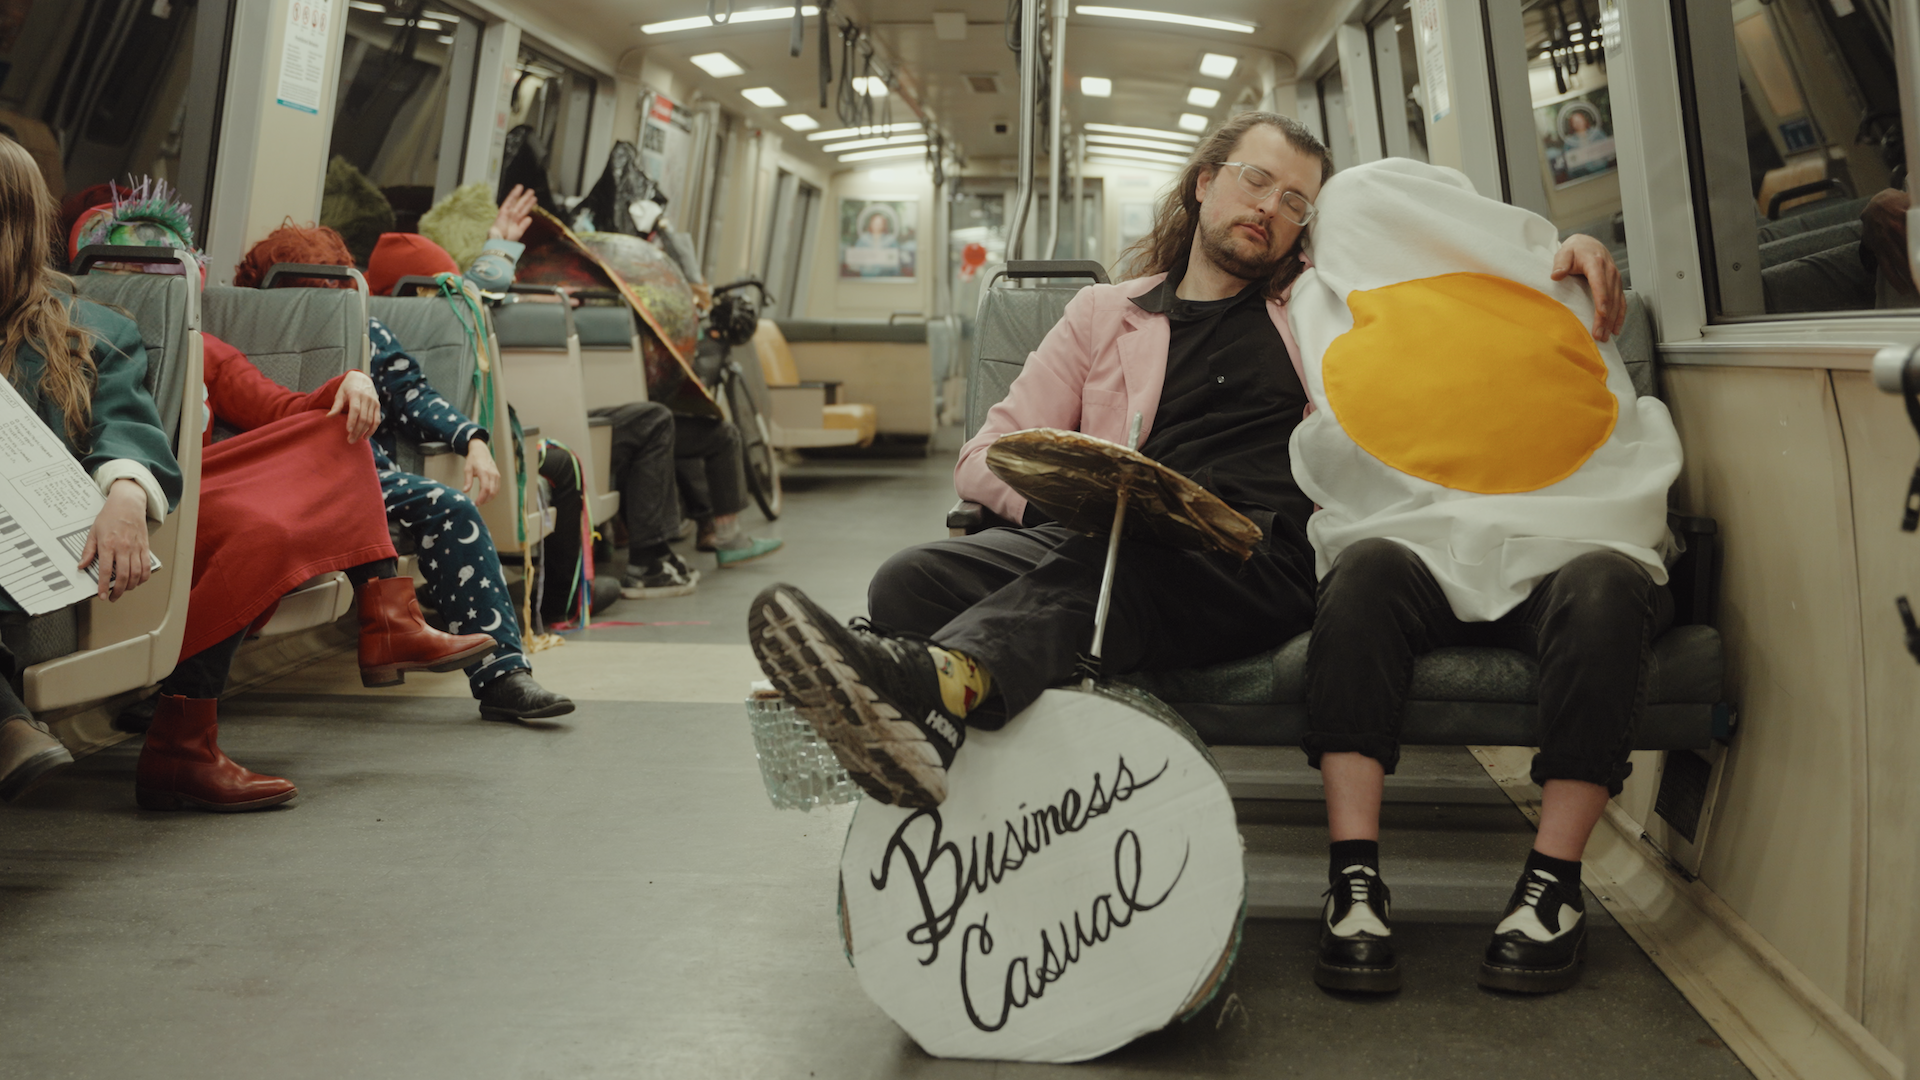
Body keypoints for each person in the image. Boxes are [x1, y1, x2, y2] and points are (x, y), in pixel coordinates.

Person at [747, 111, 1628, 812]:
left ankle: (931, 696)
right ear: (1205, 184)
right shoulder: (1105, 314)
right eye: (1256, 181)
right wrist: (1077, 501)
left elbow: (1450, 278)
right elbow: (985, 456)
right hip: (1102, 534)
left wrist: (1556, 261)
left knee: (1126, 562)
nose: (1271, 209)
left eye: (1296, 203)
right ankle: (946, 734)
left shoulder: (1323, 310)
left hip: (1255, 553)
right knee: (910, 581)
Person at [235, 218, 574, 722]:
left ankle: (503, 675)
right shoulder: (239, 331)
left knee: (451, 508)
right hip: (269, 474)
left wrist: (472, 438)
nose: (324, 300)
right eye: (312, 289)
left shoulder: (361, 330)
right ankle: (179, 691)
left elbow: (414, 397)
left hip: (359, 474)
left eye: (332, 287)